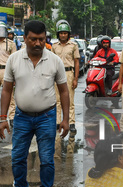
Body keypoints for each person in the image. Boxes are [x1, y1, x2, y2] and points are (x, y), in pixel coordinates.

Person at [0, 20, 70, 187]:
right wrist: (3, 118)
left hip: (47, 116)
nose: (38, 43)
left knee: (46, 159)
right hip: (22, 117)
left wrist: (65, 119)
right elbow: (6, 90)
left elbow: (64, 91)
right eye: (33, 39)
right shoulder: (14, 59)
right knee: (18, 156)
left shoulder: (55, 60)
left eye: (41, 39)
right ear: (25, 38)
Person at [52, 19, 80, 156]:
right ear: (58, 34)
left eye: (65, 33)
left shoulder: (73, 45)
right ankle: (58, 122)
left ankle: (71, 122)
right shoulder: (54, 46)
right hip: (56, 74)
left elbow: (76, 62)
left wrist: (75, 78)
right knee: (57, 100)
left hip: (69, 73)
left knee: (70, 101)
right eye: (61, 33)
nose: (63, 35)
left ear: (68, 34)